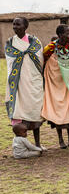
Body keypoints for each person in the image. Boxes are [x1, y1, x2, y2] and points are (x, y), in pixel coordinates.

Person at [4, 17, 45, 149]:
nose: (15, 27)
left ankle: (38, 143)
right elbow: (10, 62)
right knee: (20, 112)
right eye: (14, 25)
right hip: (18, 83)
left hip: (33, 81)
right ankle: (22, 146)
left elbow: (40, 59)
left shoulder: (34, 41)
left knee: (35, 111)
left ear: (25, 26)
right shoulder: (10, 42)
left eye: (18, 24)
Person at [41, 24, 69, 148]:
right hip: (54, 81)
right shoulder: (50, 48)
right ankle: (61, 140)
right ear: (59, 35)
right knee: (58, 109)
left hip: (67, 82)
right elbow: (44, 60)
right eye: (68, 33)